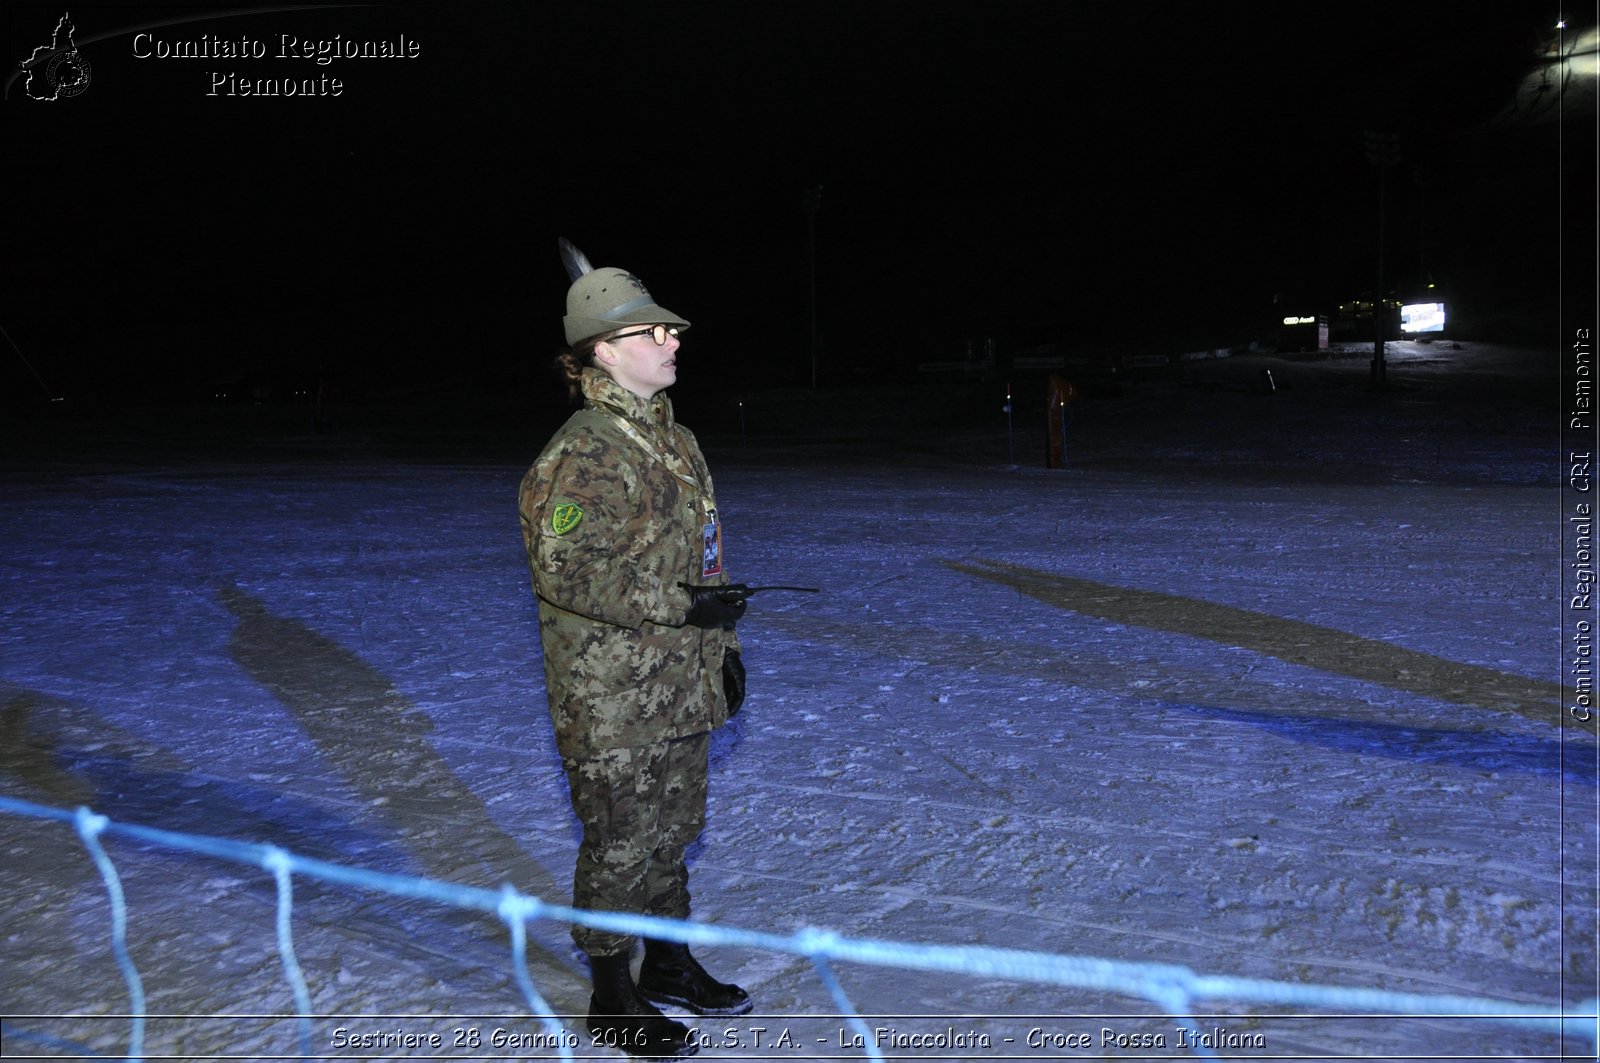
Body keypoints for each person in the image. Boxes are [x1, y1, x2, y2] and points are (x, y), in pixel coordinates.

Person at [518, 252, 751, 1059]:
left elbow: (705, 556)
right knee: (619, 838)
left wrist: (720, 642)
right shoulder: (581, 454)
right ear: (602, 351)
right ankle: (613, 994)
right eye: (653, 330)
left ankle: (671, 962)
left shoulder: (675, 439)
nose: (673, 339)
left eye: (671, 328)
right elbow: (568, 569)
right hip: (613, 689)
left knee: (673, 827)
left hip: (680, 683)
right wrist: (684, 607)